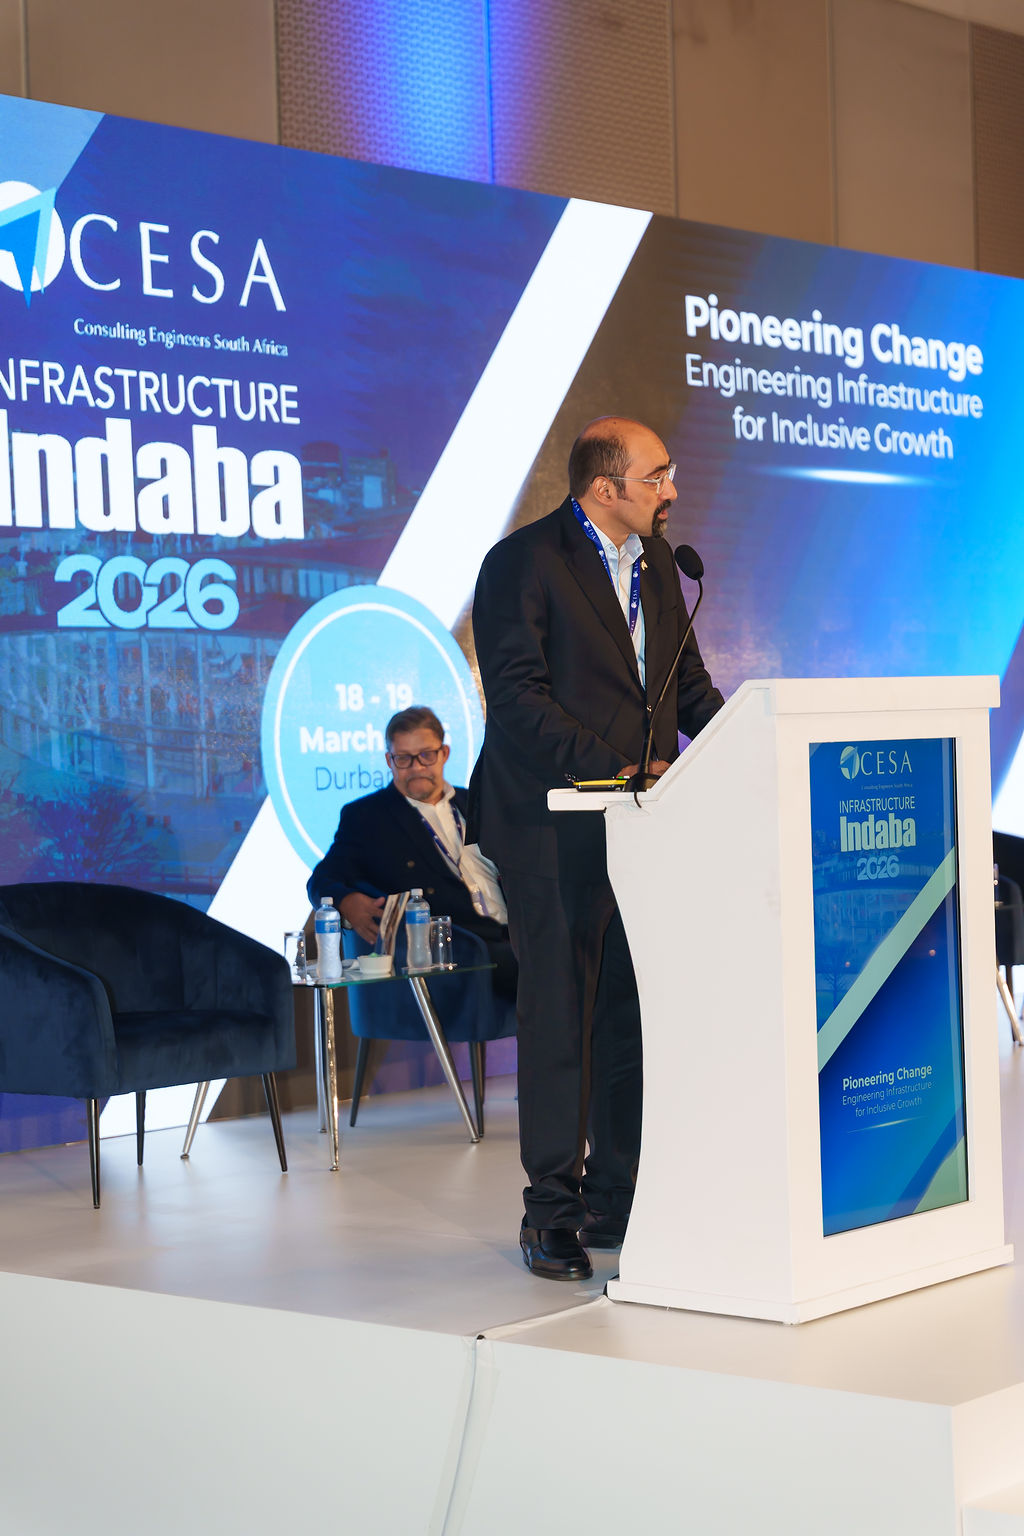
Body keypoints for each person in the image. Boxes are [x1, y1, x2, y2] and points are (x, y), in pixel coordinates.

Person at [469, 416, 724, 1280]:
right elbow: (518, 698)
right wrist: (616, 769)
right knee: (560, 1015)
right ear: (605, 487)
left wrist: (747, 747)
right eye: (658, 475)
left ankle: (618, 1199)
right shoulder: (523, 562)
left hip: (638, 827)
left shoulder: (655, 565)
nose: (672, 490)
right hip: (549, 822)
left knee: (626, 1013)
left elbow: (686, 688)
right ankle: (551, 1212)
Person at [307, 705, 516, 999]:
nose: (417, 767)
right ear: (389, 761)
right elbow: (322, 879)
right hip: (458, 948)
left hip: (517, 932)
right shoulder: (367, 817)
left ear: (444, 753)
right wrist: (345, 902)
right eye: (404, 758)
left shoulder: (478, 803)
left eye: (426, 755)